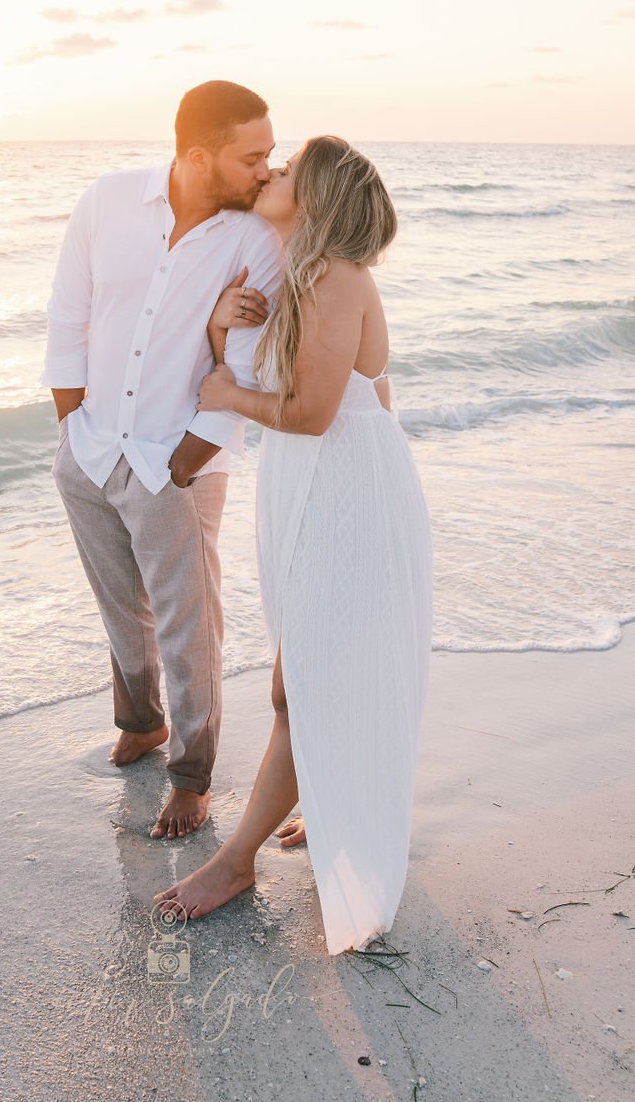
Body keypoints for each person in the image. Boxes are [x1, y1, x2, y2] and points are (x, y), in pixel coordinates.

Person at [153, 135, 433, 955]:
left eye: (285, 169)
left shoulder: (336, 276)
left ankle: (236, 861)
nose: (270, 173)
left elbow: (312, 412)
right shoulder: (301, 277)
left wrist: (230, 391)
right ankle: (323, 787)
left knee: (301, 683)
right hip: (320, 488)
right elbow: (324, 390)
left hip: (344, 492)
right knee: (306, 675)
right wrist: (218, 335)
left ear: (312, 199)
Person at [40, 81, 285, 840]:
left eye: (271, 156)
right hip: (89, 446)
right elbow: (67, 313)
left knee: (188, 626)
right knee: (120, 607)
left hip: (177, 460)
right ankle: (141, 722)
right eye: (254, 157)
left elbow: (242, 366)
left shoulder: (258, 242)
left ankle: (191, 776)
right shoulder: (107, 201)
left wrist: (185, 460)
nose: (268, 171)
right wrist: (73, 425)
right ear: (197, 155)